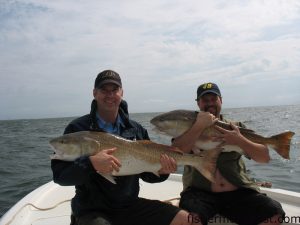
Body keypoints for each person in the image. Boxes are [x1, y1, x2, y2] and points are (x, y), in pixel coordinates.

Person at [51, 70, 192, 225]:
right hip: (91, 210)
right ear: (95, 93)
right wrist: (90, 163)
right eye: (104, 90)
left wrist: (162, 171)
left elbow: (147, 176)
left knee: (190, 220)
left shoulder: (136, 129)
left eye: (114, 90)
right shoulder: (77, 128)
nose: (110, 95)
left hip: (129, 206)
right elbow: (60, 177)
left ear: (121, 93)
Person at [172, 82, 285, 225]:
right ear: (198, 103)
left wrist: (239, 140)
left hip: (238, 192)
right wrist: (198, 126)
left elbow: (264, 158)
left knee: (274, 213)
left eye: (214, 99)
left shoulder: (236, 127)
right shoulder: (186, 127)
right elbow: (175, 152)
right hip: (198, 193)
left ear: (221, 100)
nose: (210, 103)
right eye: (205, 100)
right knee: (189, 219)